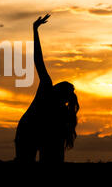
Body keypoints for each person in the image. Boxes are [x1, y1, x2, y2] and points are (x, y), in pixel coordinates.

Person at [15, 14, 79, 163]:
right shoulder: (47, 87)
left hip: (33, 131)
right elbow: (38, 59)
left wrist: (35, 29)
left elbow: (38, 60)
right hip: (27, 131)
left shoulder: (60, 110)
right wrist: (35, 31)